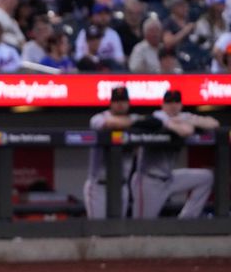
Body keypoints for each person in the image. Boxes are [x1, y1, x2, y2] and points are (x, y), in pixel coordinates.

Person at [131, 90, 220, 219]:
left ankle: (185, 221)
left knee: (206, 177)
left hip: (169, 178)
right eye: (169, 102)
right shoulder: (158, 116)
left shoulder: (183, 116)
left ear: (181, 104)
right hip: (148, 181)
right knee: (141, 227)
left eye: (176, 102)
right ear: (163, 105)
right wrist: (187, 121)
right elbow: (185, 131)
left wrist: (186, 119)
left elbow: (214, 123)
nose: (173, 105)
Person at [83, 86, 142, 219]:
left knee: (118, 229)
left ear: (128, 103)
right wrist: (135, 123)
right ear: (111, 103)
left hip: (122, 185)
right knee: (97, 229)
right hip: (99, 185)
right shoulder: (98, 118)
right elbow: (109, 124)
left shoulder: (134, 119)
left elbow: (153, 123)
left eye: (123, 101)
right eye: (116, 101)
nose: (120, 104)